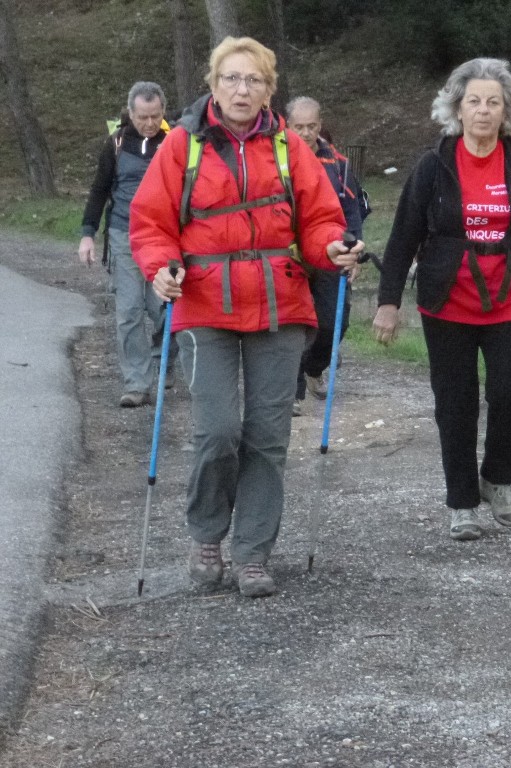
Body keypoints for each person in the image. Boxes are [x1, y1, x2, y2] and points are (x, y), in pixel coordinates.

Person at [129, 37, 363, 597]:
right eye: (232, 79)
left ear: (268, 89)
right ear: (213, 85)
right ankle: (207, 533)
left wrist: (332, 249)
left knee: (267, 435)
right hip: (204, 302)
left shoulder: (288, 147)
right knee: (217, 432)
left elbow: (321, 220)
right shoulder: (182, 145)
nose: (242, 89)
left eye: (253, 80)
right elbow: (151, 223)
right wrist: (161, 267)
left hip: (282, 303)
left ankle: (254, 553)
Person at [372, 57, 511, 541]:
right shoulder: (435, 164)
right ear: (457, 108)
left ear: (507, 109)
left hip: (510, 295)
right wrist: (388, 302)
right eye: (473, 101)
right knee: (455, 403)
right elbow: (403, 236)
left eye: (493, 102)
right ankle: (462, 502)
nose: (482, 111)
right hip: (448, 298)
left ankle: (497, 480)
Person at [79, 81, 174, 408]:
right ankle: (137, 383)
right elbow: (99, 188)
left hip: (164, 237)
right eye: (143, 116)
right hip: (123, 235)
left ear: (163, 112)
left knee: (163, 309)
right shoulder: (116, 143)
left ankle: (165, 358)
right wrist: (87, 233)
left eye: (155, 115)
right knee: (129, 312)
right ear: (130, 113)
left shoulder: (175, 142)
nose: (149, 123)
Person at [285, 96, 366, 417]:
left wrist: (354, 252)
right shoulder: (275, 159)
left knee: (333, 323)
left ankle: (313, 366)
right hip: (288, 258)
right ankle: (291, 391)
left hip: (329, 253)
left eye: (312, 126)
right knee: (291, 325)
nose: (305, 133)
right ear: (287, 125)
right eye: (298, 127)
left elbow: (353, 211)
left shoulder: (339, 164)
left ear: (321, 125)